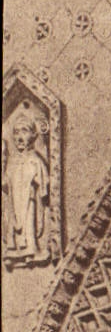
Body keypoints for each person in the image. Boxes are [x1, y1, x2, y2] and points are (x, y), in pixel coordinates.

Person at [3, 111, 49, 260]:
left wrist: (39, 183)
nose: (19, 136)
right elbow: (6, 183)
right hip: (14, 200)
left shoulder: (35, 159)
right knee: (12, 221)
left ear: (34, 135)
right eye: (16, 132)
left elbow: (43, 179)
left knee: (29, 223)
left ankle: (31, 249)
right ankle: (13, 249)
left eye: (24, 131)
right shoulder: (12, 163)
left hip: (29, 199)